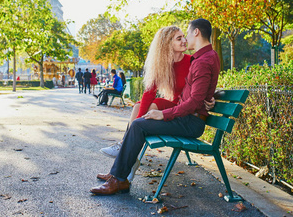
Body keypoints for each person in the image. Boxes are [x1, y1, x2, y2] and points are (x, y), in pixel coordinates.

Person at [90, 18, 220, 195]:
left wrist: (164, 115)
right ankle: (119, 176)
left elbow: (196, 98)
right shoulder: (203, 58)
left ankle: (119, 178)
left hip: (190, 118)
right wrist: (211, 96)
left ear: (195, 32)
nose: (185, 40)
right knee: (139, 118)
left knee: (139, 124)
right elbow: (200, 90)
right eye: (179, 38)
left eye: (186, 34)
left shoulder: (199, 60)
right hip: (187, 115)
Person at [99, 25, 192, 157]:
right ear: (167, 44)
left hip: (183, 110)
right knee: (138, 105)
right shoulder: (163, 65)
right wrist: (138, 120)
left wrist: (211, 95)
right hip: (174, 106)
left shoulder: (191, 61)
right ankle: (125, 144)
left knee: (156, 103)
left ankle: (126, 148)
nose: (184, 40)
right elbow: (149, 93)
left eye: (183, 36)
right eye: (179, 38)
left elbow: (202, 85)